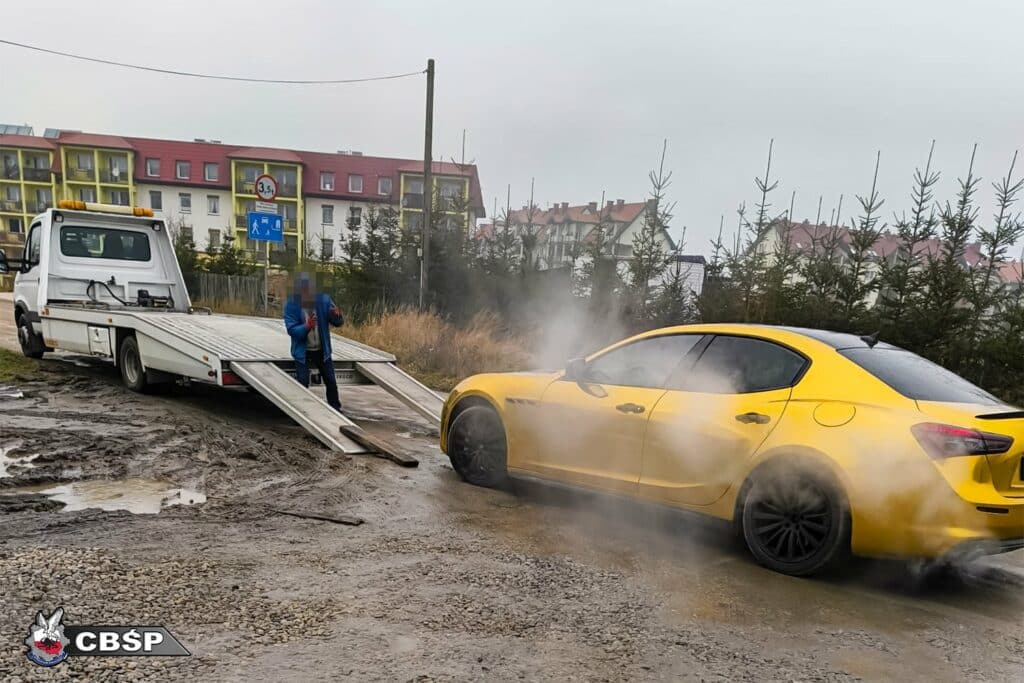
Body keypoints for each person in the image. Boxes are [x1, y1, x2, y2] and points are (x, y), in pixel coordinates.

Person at [284, 273, 344, 411]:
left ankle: (336, 409)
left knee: (331, 381)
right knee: (303, 383)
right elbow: (291, 330)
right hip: (302, 352)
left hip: (322, 351)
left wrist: (337, 316)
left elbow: (337, 322)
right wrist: (307, 327)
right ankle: (300, 412)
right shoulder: (292, 305)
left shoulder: (324, 300)